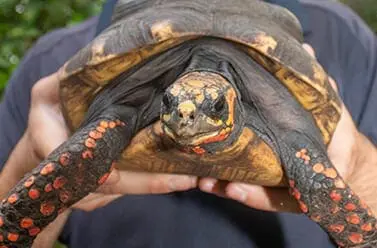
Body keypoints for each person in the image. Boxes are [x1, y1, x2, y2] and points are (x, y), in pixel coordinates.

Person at [1, 0, 377, 247]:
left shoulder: (348, 40)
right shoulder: (49, 60)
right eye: (172, 103)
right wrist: (38, 166)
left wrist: (357, 169)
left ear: (230, 101)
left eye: (210, 107)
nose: (186, 115)